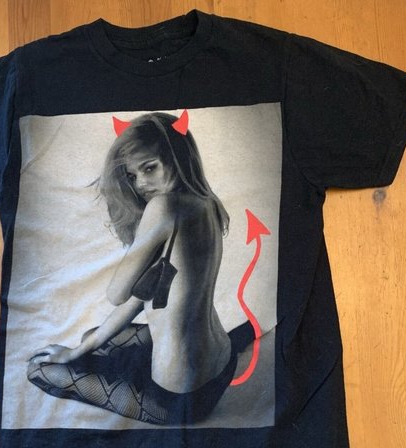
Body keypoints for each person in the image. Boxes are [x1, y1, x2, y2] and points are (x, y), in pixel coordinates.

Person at [26, 110, 253, 425]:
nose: (141, 184)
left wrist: (74, 355)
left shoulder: (164, 206)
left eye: (149, 168)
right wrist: (80, 350)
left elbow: (117, 294)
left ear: (178, 156)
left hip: (179, 398)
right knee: (93, 337)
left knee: (39, 369)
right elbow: (140, 296)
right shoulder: (207, 203)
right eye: (132, 176)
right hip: (222, 367)